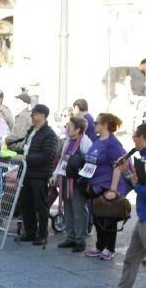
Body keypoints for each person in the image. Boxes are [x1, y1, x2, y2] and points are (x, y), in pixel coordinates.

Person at [94, 123, 146, 288]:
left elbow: (142, 188)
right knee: (131, 259)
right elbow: (138, 184)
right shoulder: (142, 158)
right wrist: (127, 173)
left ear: (142, 137)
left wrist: (134, 181)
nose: (133, 141)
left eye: (135, 138)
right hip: (142, 217)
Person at [82, 113, 132, 260]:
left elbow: (117, 166)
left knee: (108, 218)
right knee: (97, 217)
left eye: (97, 123)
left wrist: (113, 190)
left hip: (107, 185)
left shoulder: (113, 143)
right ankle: (99, 246)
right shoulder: (98, 139)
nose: (94, 125)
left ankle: (109, 248)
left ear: (104, 125)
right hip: (95, 184)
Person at [14, 103, 59, 245]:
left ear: (42, 115)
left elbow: (47, 156)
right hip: (26, 173)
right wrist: (15, 153)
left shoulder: (50, 134)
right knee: (26, 203)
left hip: (39, 175)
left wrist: (25, 158)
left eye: (34, 113)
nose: (32, 116)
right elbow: (27, 149)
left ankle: (43, 234)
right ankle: (30, 231)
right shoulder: (32, 130)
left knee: (41, 205)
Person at [54, 115, 92, 252]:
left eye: (69, 126)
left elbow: (90, 163)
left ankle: (80, 240)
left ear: (78, 129)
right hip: (65, 179)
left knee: (79, 210)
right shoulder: (68, 141)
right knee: (68, 209)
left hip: (77, 182)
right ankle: (70, 236)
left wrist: (84, 180)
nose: (66, 128)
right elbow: (62, 160)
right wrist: (56, 174)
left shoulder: (85, 142)